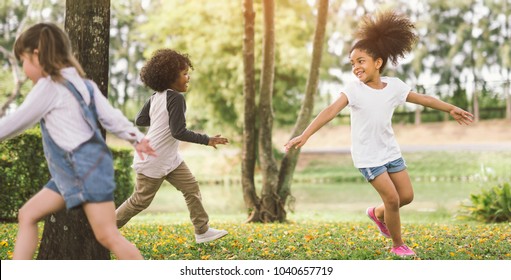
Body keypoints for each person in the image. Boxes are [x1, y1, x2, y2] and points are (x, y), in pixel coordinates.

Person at [284, 11, 473, 257]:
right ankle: (398, 245)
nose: (356, 67)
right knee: (393, 199)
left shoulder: (394, 86)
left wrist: (450, 108)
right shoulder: (353, 90)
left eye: (361, 61)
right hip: (367, 155)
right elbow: (330, 110)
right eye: (352, 63)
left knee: (406, 196)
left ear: (378, 62)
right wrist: (305, 135)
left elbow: (422, 99)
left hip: (390, 150)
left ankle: (376, 213)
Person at [0, 23, 156, 260]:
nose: (23, 69)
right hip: (74, 171)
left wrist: (136, 138)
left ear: (36, 54)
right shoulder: (85, 85)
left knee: (107, 235)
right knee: (28, 214)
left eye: (23, 60)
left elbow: (17, 121)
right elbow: (111, 117)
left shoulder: (49, 86)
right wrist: (136, 138)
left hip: (82, 169)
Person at [115, 48, 229, 243]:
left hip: (169, 158)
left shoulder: (155, 97)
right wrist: (207, 139)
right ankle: (104, 228)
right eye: (184, 74)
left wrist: (160, 120)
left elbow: (140, 120)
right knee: (140, 201)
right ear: (170, 77)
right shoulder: (175, 98)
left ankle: (202, 230)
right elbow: (178, 131)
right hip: (154, 158)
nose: (188, 77)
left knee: (191, 187)